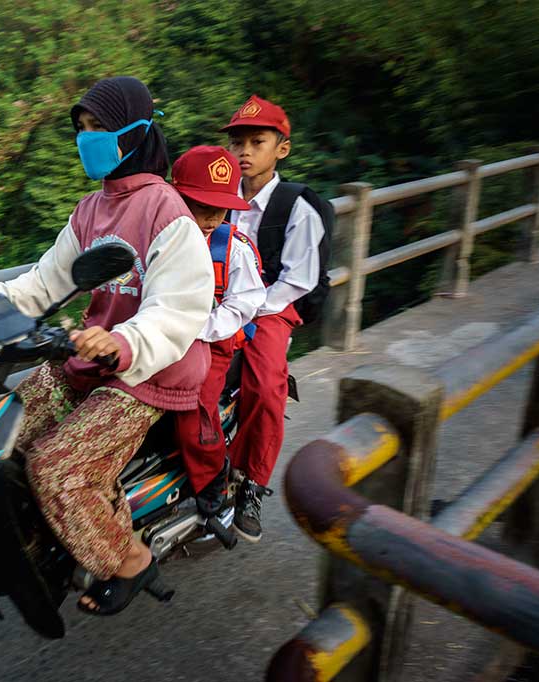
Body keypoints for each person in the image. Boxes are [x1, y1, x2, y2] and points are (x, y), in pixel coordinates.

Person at [0, 76, 214, 615]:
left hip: (146, 375)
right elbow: (43, 282)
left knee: (55, 467)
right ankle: (48, 536)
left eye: (101, 128)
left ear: (136, 133)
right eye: (84, 128)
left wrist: (122, 341)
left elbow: (178, 309)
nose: (88, 138)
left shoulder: (168, 213)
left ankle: (131, 560)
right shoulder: (90, 210)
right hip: (86, 359)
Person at [221, 94, 326, 542]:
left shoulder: (297, 207)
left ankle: (252, 482)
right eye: (238, 142)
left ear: (281, 148)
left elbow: (298, 279)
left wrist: (245, 308)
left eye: (257, 141)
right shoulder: (219, 196)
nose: (244, 152)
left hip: (270, 305)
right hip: (216, 299)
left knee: (265, 386)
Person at [168, 146, 265, 520]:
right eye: (199, 206)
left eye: (221, 209)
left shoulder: (232, 249)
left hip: (210, 344)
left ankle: (213, 477)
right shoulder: (162, 242)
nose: (211, 218)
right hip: (162, 340)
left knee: (194, 407)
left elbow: (245, 303)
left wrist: (201, 330)